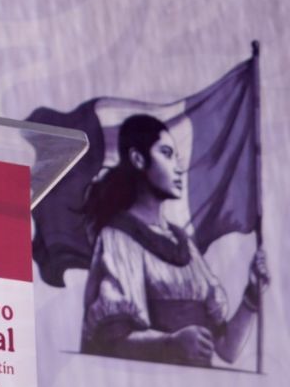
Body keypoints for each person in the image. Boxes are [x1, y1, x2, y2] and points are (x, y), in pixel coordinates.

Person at [80, 114, 268, 367]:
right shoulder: (118, 237)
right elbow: (110, 343)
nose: (178, 168)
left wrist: (252, 295)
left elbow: (227, 350)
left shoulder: (184, 243)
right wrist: (170, 344)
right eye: (167, 154)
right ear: (138, 159)